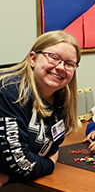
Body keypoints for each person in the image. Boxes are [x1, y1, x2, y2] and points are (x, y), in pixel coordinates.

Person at [0, 31, 81, 186]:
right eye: (54, 57)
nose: (60, 67)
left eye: (69, 64)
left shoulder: (62, 98)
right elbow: (19, 164)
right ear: (33, 58)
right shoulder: (8, 90)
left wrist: (8, 175)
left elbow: (51, 149)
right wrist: (49, 165)